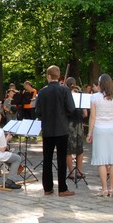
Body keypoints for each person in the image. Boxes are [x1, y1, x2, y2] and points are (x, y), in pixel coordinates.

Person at [36, 66, 77, 197]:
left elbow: (38, 111)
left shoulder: (42, 92)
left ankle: (47, 188)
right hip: (62, 129)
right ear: (59, 76)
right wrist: (64, 115)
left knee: (47, 159)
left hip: (47, 129)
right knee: (61, 159)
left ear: (48, 76)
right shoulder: (65, 90)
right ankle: (62, 189)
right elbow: (71, 108)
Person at [87, 74, 113, 198]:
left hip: (99, 129)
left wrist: (89, 133)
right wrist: (110, 116)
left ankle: (104, 188)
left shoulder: (94, 97)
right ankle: (111, 189)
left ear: (100, 84)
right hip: (112, 129)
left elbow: (92, 117)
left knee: (101, 160)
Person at [64, 78, 86, 181]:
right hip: (79, 124)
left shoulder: (65, 95)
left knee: (68, 150)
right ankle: (79, 171)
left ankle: (71, 172)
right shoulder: (81, 95)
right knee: (79, 149)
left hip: (68, 124)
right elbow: (85, 114)